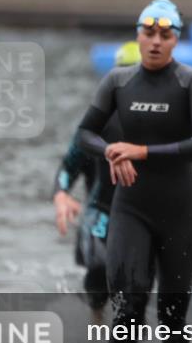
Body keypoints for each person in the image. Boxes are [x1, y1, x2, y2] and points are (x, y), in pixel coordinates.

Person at [75, 0, 192, 343]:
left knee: (173, 314)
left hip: (180, 213)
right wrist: (111, 151)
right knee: (128, 306)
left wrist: (141, 151)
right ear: (138, 35)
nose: (156, 42)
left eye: (165, 35)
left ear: (175, 39)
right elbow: (84, 133)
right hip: (131, 209)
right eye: (148, 33)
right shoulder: (117, 81)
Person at [52, 41, 140, 323]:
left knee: (138, 290)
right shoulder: (96, 125)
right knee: (102, 269)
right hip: (99, 215)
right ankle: (95, 325)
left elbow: (184, 173)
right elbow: (68, 166)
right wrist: (61, 193)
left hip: (140, 217)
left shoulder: (165, 123)